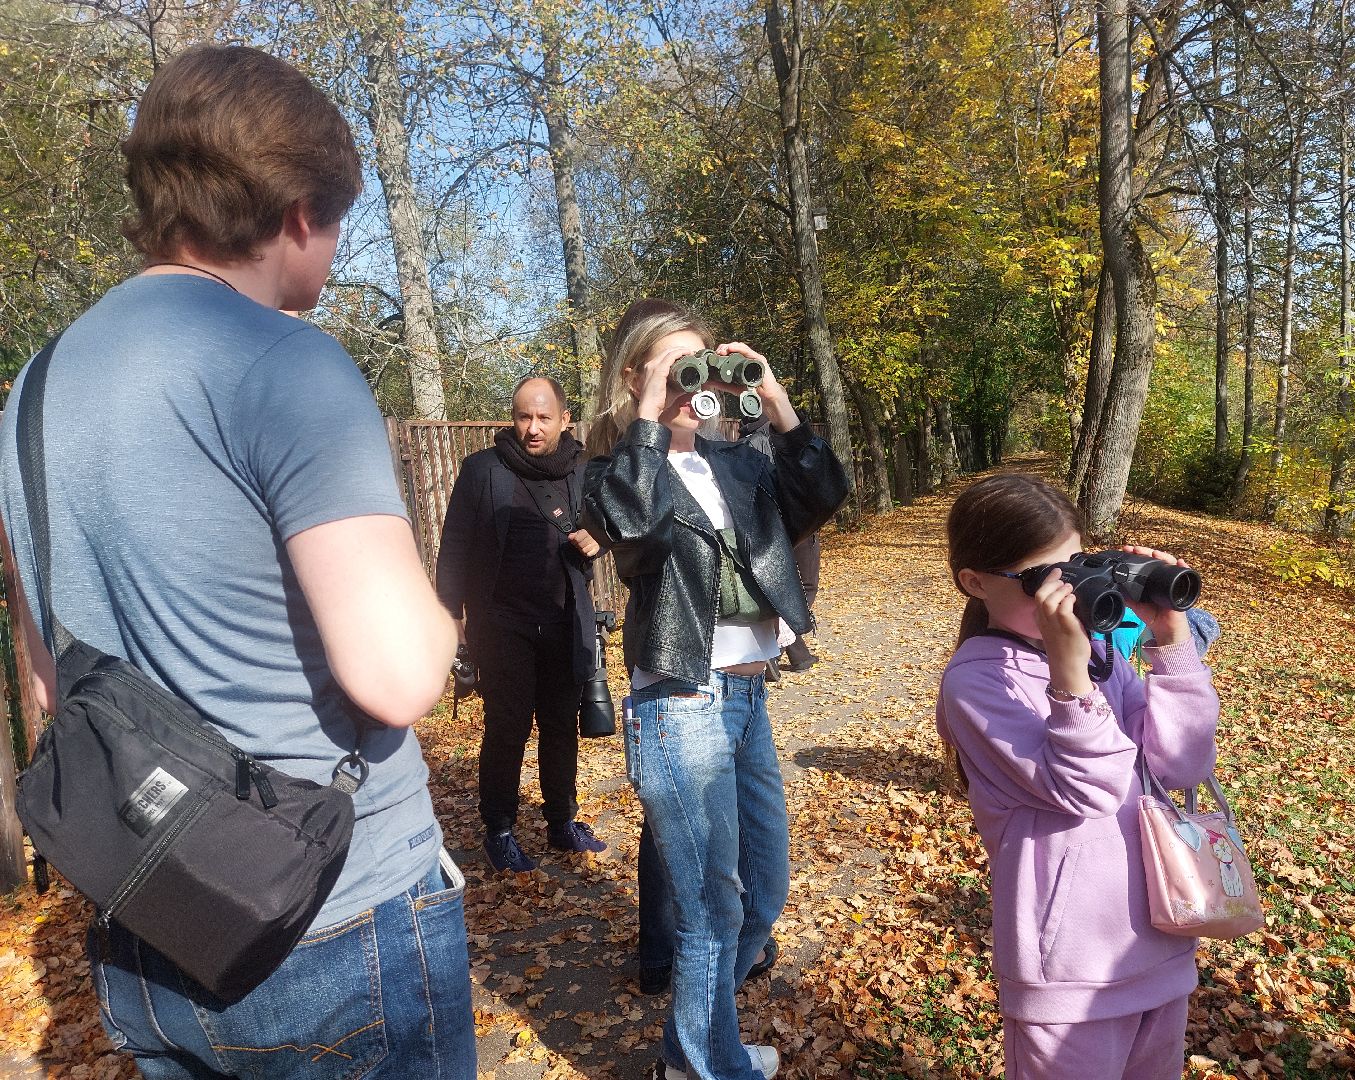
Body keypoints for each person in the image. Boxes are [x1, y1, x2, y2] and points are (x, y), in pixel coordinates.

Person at [0, 45, 475, 1077]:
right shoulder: (286, 362)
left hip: (149, 929)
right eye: (338, 221)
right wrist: (446, 617)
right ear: (297, 211)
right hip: (330, 920)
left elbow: (48, 682)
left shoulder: (30, 396)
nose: (337, 252)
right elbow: (398, 677)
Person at [582, 299, 849, 1080]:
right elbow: (632, 529)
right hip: (679, 701)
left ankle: (693, 1044)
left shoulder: (738, 461)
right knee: (706, 908)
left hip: (746, 697)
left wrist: (773, 398)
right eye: (677, 365)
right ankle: (707, 1066)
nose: (696, 381)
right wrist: (648, 415)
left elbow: (822, 495)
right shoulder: (615, 469)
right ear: (636, 376)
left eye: (704, 364)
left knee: (761, 892)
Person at [935, 474, 1220, 1080]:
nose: (1067, 592)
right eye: (1043, 579)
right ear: (975, 581)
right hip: (1068, 968)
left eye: (1077, 566)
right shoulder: (977, 684)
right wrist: (1071, 681)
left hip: (1157, 942)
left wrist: (1169, 643)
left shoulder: (1101, 652)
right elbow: (1091, 790)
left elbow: (1183, 763)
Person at [435, 375, 607, 872]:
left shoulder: (583, 471)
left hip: (563, 620)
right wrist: (451, 616)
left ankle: (561, 822)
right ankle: (501, 829)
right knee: (506, 728)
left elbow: (617, 521)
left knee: (560, 727)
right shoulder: (483, 471)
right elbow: (455, 548)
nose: (532, 428)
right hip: (501, 623)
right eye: (523, 417)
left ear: (564, 419)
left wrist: (601, 539)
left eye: (543, 417)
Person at [740, 416, 821, 672]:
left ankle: (793, 651)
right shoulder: (775, 439)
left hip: (767, 525)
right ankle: (781, 645)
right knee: (805, 586)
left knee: (783, 585)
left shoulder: (742, 444)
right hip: (794, 521)